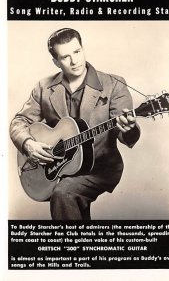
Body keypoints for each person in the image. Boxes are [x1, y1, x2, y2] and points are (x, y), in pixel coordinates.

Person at [10, 28, 140, 220]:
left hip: (99, 166)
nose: (74, 61)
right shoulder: (44, 87)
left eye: (77, 52)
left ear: (82, 48)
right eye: (65, 57)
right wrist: (28, 144)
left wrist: (128, 129)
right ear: (56, 61)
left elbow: (126, 135)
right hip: (59, 166)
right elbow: (20, 122)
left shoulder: (114, 85)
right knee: (68, 197)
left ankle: (70, 248)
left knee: (64, 193)